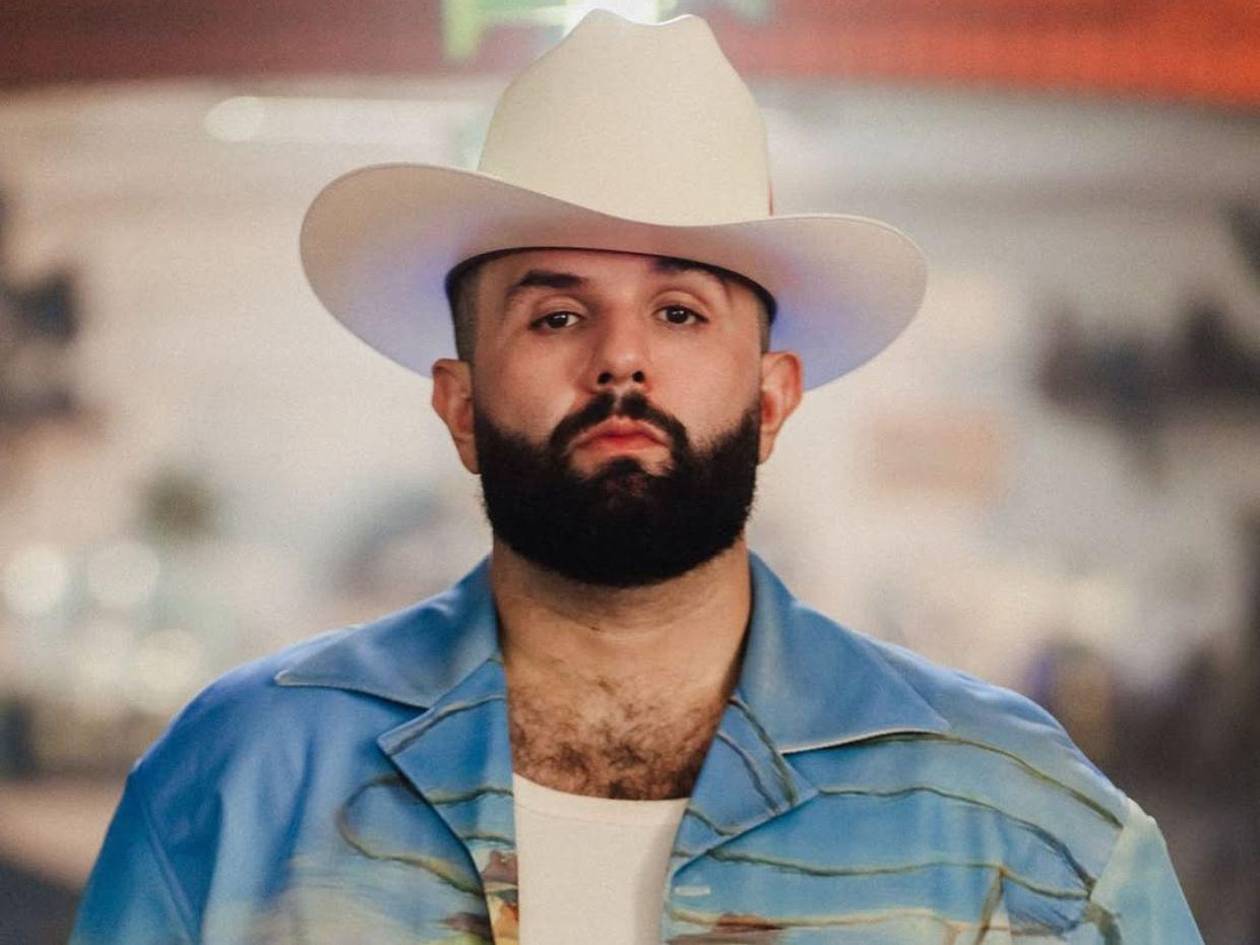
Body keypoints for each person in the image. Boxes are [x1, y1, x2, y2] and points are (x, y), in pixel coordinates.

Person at [70, 11, 1202, 945]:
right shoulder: (241, 784)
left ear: (772, 397)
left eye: (680, 311)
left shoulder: (1016, 826)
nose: (620, 360)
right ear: (460, 405)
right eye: (557, 315)